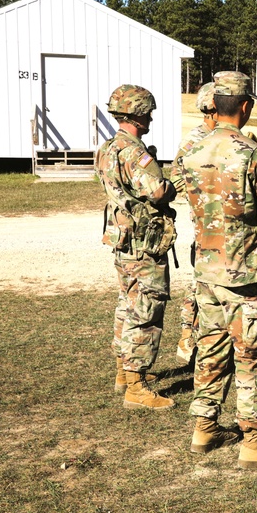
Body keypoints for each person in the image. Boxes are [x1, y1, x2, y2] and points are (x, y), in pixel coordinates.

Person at [178, 70, 257, 467]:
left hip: (205, 272)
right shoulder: (253, 155)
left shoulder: (192, 153)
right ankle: (254, 441)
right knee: (252, 355)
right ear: (245, 106)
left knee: (210, 349)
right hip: (244, 274)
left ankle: (205, 426)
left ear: (215, 105)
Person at [95, 84, 177, 410]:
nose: (151, 119)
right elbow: (156, 191)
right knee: (146, 308)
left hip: (123, 238)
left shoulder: (107, 148)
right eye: (148, 113)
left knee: (127, 304)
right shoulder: (134, 153)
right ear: (138, 115)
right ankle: (136, 386)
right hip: (144, 241)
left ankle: (123, 371)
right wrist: (173, 185)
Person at [172, 82, 218, 367]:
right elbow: (177, 177)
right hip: (207, 221)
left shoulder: (223, 136)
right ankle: (188, 333)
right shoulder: (195, 140)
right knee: (202, 280)